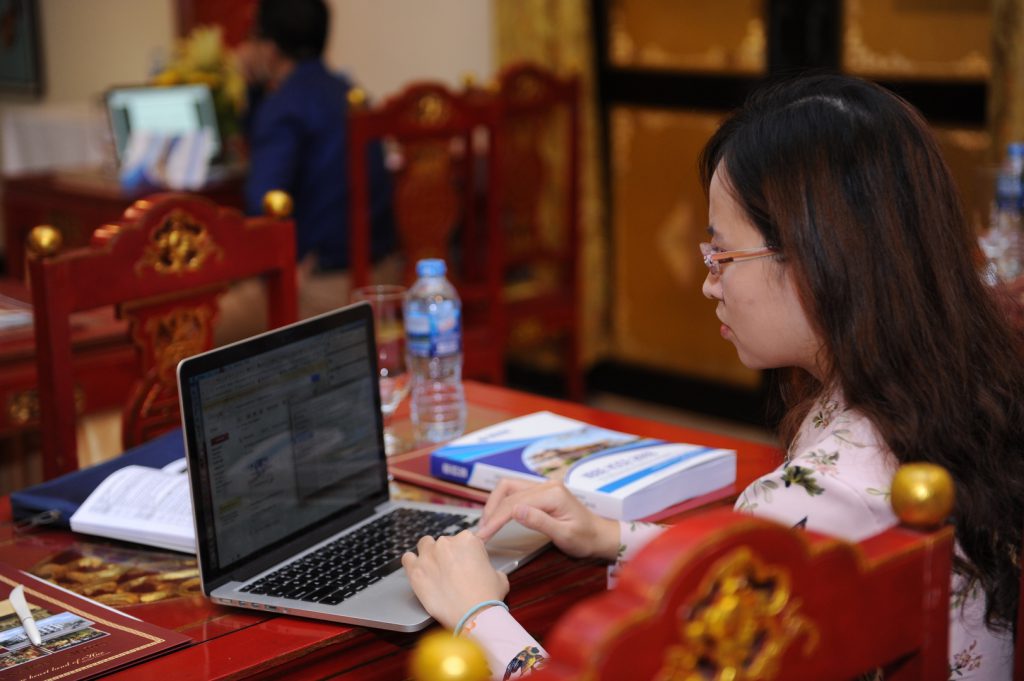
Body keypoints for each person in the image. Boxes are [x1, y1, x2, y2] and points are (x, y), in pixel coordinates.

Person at [402, 73, 1024, 679]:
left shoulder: (825, 487)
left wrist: (478, 615)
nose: (708, 284)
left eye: (722, 254)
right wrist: (612, 535)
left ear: (818, 259)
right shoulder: (954, 380)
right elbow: (781, 564)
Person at [216, 0, 395, 344]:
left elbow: (264, 207)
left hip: (324, 286)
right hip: (381, 270)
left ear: (269, 49)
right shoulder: (348, 91)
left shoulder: (285, 107)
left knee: (194, 331)